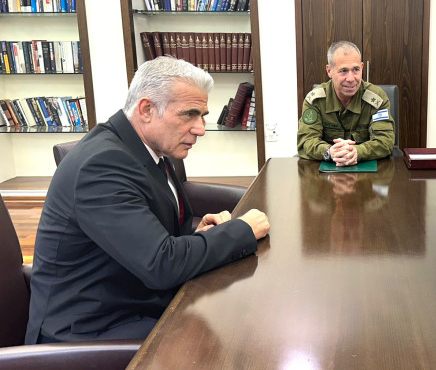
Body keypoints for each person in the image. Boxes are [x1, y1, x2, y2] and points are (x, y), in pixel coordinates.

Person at [25, 56, 271, 344]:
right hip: (92, 331)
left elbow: (147, 236)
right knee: (237, 336)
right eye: (189, 115)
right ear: (146, 109)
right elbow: (161, 265)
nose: (200, 128)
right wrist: (242, 230)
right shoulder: (101, 165)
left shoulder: (143, 148)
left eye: (202, 115)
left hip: (134, 300)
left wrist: (198, 235)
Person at [297, 41, 395, 166]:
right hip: (326, 168)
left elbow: (385, 141)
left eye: (356, 70)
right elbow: (306, 141)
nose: (351, 78)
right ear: (329, 71)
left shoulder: (377, 99)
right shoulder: (315, 100)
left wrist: (357, 152)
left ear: (362, 67)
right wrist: (329, 151)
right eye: (343, 71)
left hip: (367, 168)